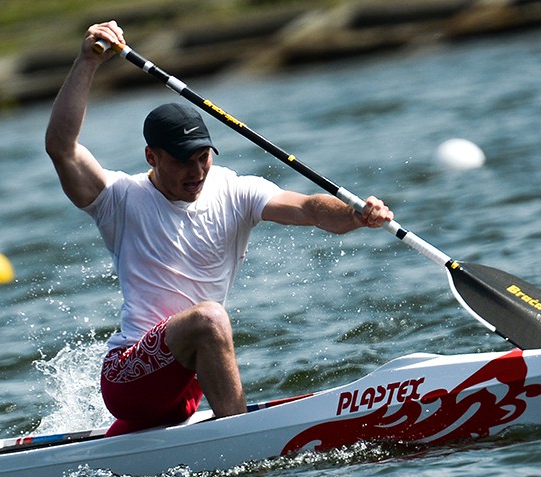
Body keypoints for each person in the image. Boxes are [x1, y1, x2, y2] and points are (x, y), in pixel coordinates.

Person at [45, 21, 394, 437]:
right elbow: (61, 147)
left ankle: (204, 431)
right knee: (210, 319)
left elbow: (309, 209)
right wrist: (87, 62)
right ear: (152, 157)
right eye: (182, 161)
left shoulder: (235, 190)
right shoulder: (118, 199)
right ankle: (242, 438)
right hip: (128, 378)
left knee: (209, 324)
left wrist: (355, 215)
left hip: (187, 386)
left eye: (202, 157)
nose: (196, 172)